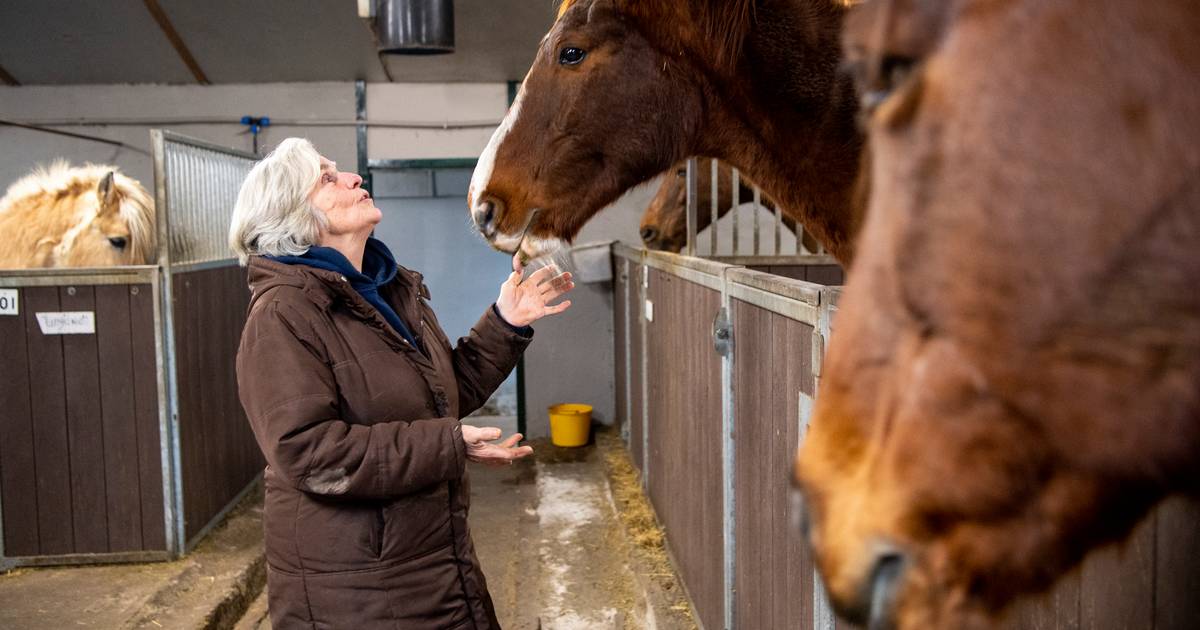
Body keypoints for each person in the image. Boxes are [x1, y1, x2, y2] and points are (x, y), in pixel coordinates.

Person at [228, 137, 573, 629]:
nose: (353, 178)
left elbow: (440, 395)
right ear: (292, 215)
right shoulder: (283, 314)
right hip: (357, 588)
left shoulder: (386, 290)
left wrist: (505, 321)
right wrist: (446, 444)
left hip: (429, 559)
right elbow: (306, 451)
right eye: (328, 177)